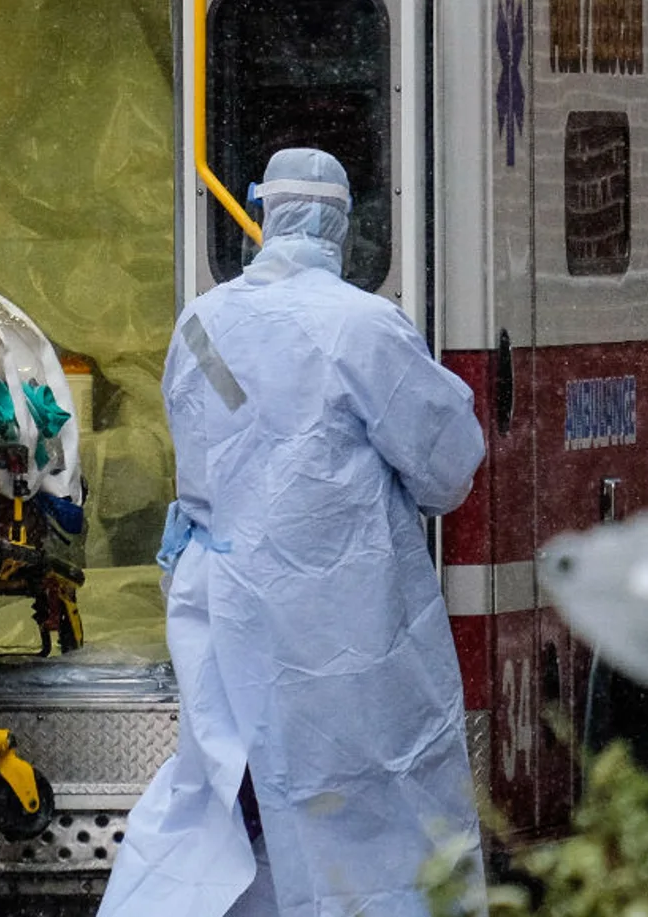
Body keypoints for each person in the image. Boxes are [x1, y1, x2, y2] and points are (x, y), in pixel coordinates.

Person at [97, 148, 488, 917]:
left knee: (232, 805)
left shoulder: (202, 326)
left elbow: (207, 458)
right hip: (352, 629)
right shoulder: (365, 327)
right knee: (372, 819)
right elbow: (448, 469)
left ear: (262, 214)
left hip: (231, 615)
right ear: (341, 222)